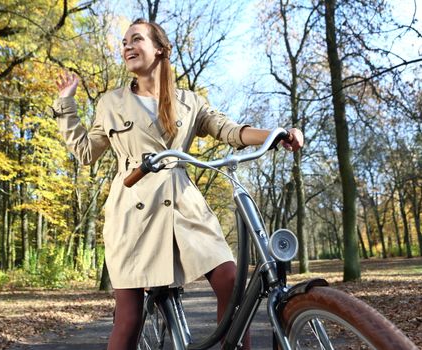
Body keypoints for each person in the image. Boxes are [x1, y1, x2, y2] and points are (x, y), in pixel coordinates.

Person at [52, 18, 303, 350]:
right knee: (129, 318)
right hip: (132, 213)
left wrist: (275, 135)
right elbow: (85, 152)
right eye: (124, 42)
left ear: (159, 48)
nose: (126, 46)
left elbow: (228, 130)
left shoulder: (189, 101)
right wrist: (65, 103)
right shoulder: (110, 103)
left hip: (184, 206)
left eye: (135, 39)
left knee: (230, 281)